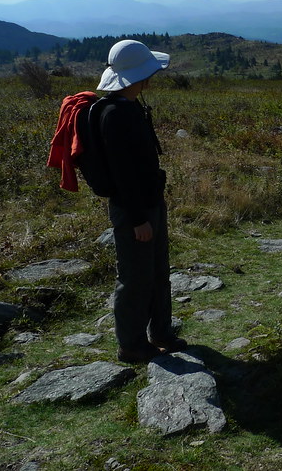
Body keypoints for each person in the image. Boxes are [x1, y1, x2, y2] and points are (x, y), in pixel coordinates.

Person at [95, 39, 186, 363]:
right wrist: (137, 219)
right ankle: (131, 345)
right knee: (135, 277)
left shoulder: (129, 107)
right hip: (136, 209)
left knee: (157, 271)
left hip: (149, 203)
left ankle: (161, 332)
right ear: (141, 76)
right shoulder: (115, 116)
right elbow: (122, 174)